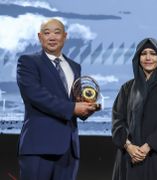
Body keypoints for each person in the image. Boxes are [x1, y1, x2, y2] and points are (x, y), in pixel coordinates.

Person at [16, 18, 97, 180]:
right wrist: (73, 108)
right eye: (47, 33)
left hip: (69, 150)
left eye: (57, 32)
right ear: (40, 37)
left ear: (65, 36)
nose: (52, 37)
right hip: (39, 147)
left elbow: (75, 99)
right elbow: (36, 95)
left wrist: (87, 108)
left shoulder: (75, 66)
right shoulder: (28, 62)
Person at [111, 38, 157, 180]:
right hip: (130, 156)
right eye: (143, 53)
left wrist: (147, 147)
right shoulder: (127, 88)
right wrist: (129, 146)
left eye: (153, 53)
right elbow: (117, 120)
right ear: (138, 58)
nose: (148, 58)